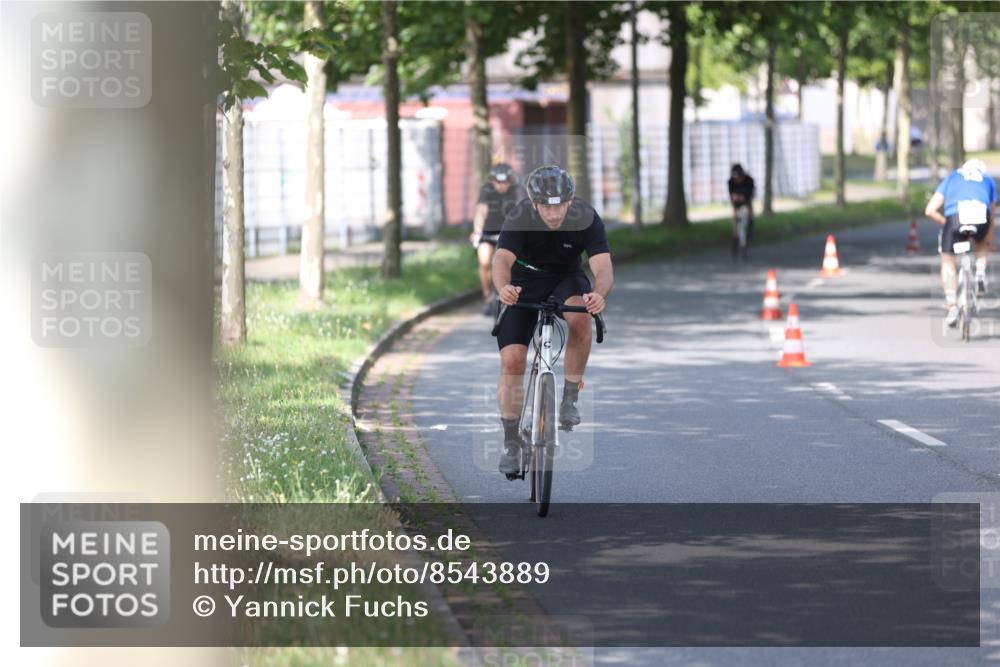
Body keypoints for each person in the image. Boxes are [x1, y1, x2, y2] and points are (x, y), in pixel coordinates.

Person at [492, 165, 614, 476]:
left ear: (570, 201)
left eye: (559, 204)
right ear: (534, 204)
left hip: (566, 279)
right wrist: (503, 288)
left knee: (581, 319)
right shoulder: (520, 216)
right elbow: (502, 260)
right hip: (523, 281)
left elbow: (603, 268)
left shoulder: (586, 217)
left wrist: (598, 294)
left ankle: (570, 397)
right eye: (546, 206)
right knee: (512, 360)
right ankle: (511, 443)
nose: (553, 212)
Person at [924, 158, 997, 327]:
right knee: (981, 242)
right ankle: (980, 271)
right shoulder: (988, 180)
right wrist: (988, 241)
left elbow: (929, 210)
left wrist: (946, 224)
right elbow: (992, 218)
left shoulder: (952, 177)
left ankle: (952, 304)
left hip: (956, 217)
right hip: (980, 216)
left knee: (948, 259)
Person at [471, 163, 526, 315]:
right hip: (488, 233)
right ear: (493, 180)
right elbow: (481, 212)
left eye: (505, 182)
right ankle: (488, 297)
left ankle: (512, 294)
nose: (501, 185)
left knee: (514, 264)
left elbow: (521, 212)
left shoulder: (517, 190)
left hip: (509, 234)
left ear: (510, 180)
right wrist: (477, 231)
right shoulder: (486, 190)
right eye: (498, 182)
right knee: (484, 260)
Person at [728, 164, 756, 260]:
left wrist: (743, 198)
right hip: (736, 205)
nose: (737, 180)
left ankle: (748, 241)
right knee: (736, 228)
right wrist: (736, 199)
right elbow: (732, 196)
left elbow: (750, 195)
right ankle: (734, 248)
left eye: (739, 177)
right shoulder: (731, 182)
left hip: (747, 203)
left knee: (750, 219)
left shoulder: (749, 181)